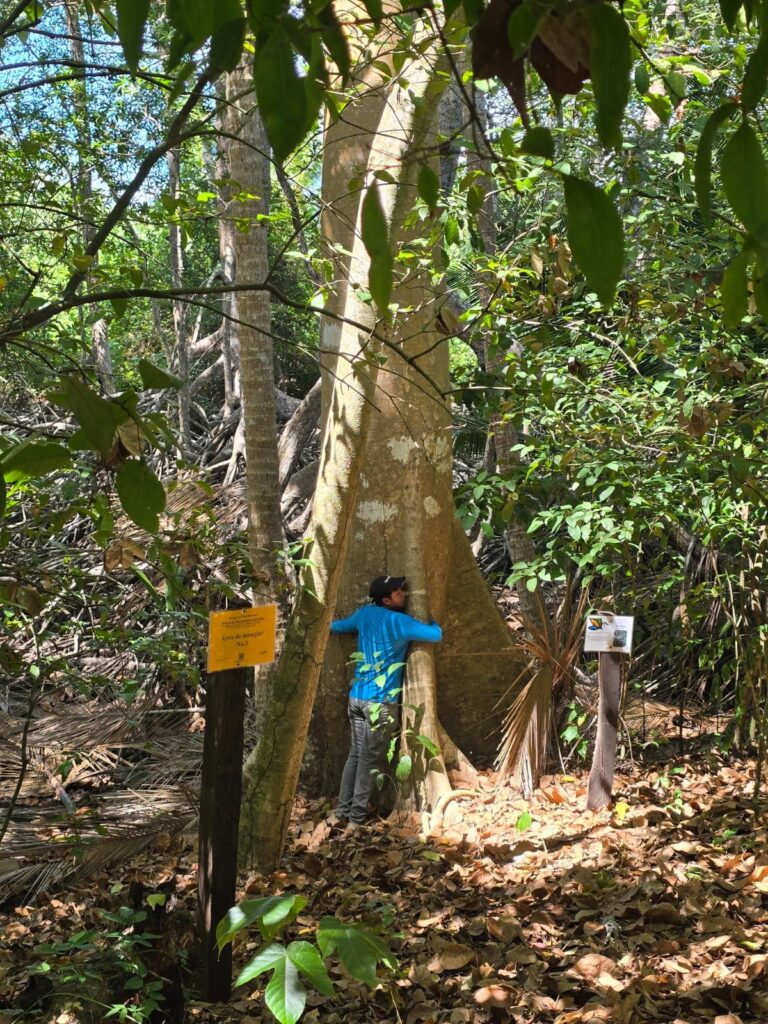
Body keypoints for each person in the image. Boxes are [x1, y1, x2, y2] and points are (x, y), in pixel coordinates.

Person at [331, 575, 442, 827]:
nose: (404, 594)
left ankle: (341, 813)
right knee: (367, 760)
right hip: (379, 704)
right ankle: (355, 820)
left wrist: (325, 623)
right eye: (398, 592)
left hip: (357, 699)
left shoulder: (364, 614)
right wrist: (434, 620)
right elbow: (435, 635)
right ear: (387, 600)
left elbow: (340, 626)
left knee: (355, 755)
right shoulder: (399, 622)